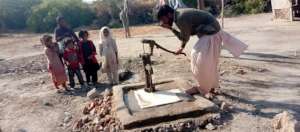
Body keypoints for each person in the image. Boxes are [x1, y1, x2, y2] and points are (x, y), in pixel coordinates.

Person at [156, 5, 248, 98]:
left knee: (201, 61)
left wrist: (170, 29)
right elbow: (189, 32)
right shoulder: (178, 14)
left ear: (169, 14)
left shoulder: (180, 18)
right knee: (207, 61)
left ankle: (202, 88)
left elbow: (184, 37)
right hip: (210, 32)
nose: (163, 22)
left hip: (211, 34)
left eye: (163, 19)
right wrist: (181, 46)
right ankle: (211, 86)